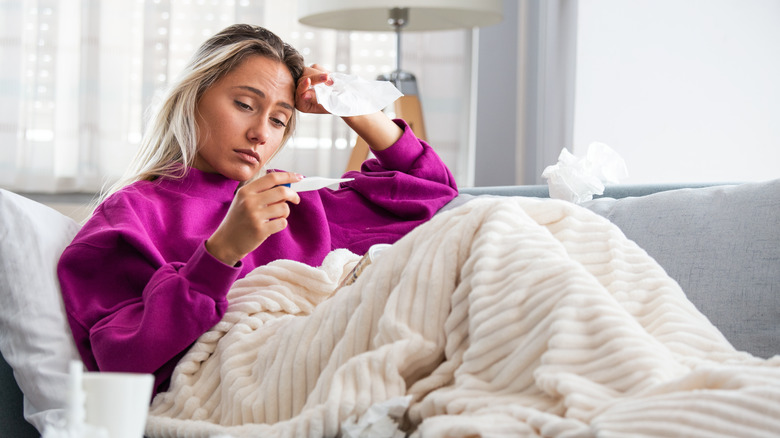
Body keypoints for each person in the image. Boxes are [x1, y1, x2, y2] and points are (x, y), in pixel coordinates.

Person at [56, 24, 458, 396]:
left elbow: (435, 192)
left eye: (280, 120)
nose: (261, 133)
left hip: (349, 370)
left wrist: (354, 107)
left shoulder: (292, 201)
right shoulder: (131, 216)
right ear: (193, 96)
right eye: (245, 104)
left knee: (489, 226)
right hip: (249, 393)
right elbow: (118, 361)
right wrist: (220, 255)